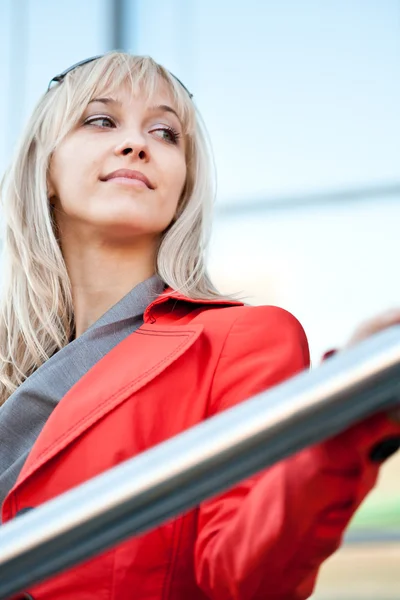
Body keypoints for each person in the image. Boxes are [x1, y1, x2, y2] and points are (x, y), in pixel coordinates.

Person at [0, 51, 399, 600]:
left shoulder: (242, 341)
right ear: (45, 168)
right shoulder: (8, 364)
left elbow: (246, 576)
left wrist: (346, 423)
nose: (136, 143)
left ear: (183, 186)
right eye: (101, 120)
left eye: (165, 133)